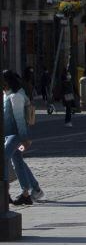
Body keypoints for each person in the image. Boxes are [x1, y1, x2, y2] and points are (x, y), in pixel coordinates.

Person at [3, 70, 44, 205]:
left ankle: (5, 193)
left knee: (3, 158)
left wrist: (25, 139)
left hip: (15, 136)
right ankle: (29, 192)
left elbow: (20, 120)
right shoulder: (8, 95)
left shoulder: (16, 97)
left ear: (7, 82)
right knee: (18, 162)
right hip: (10, 135)